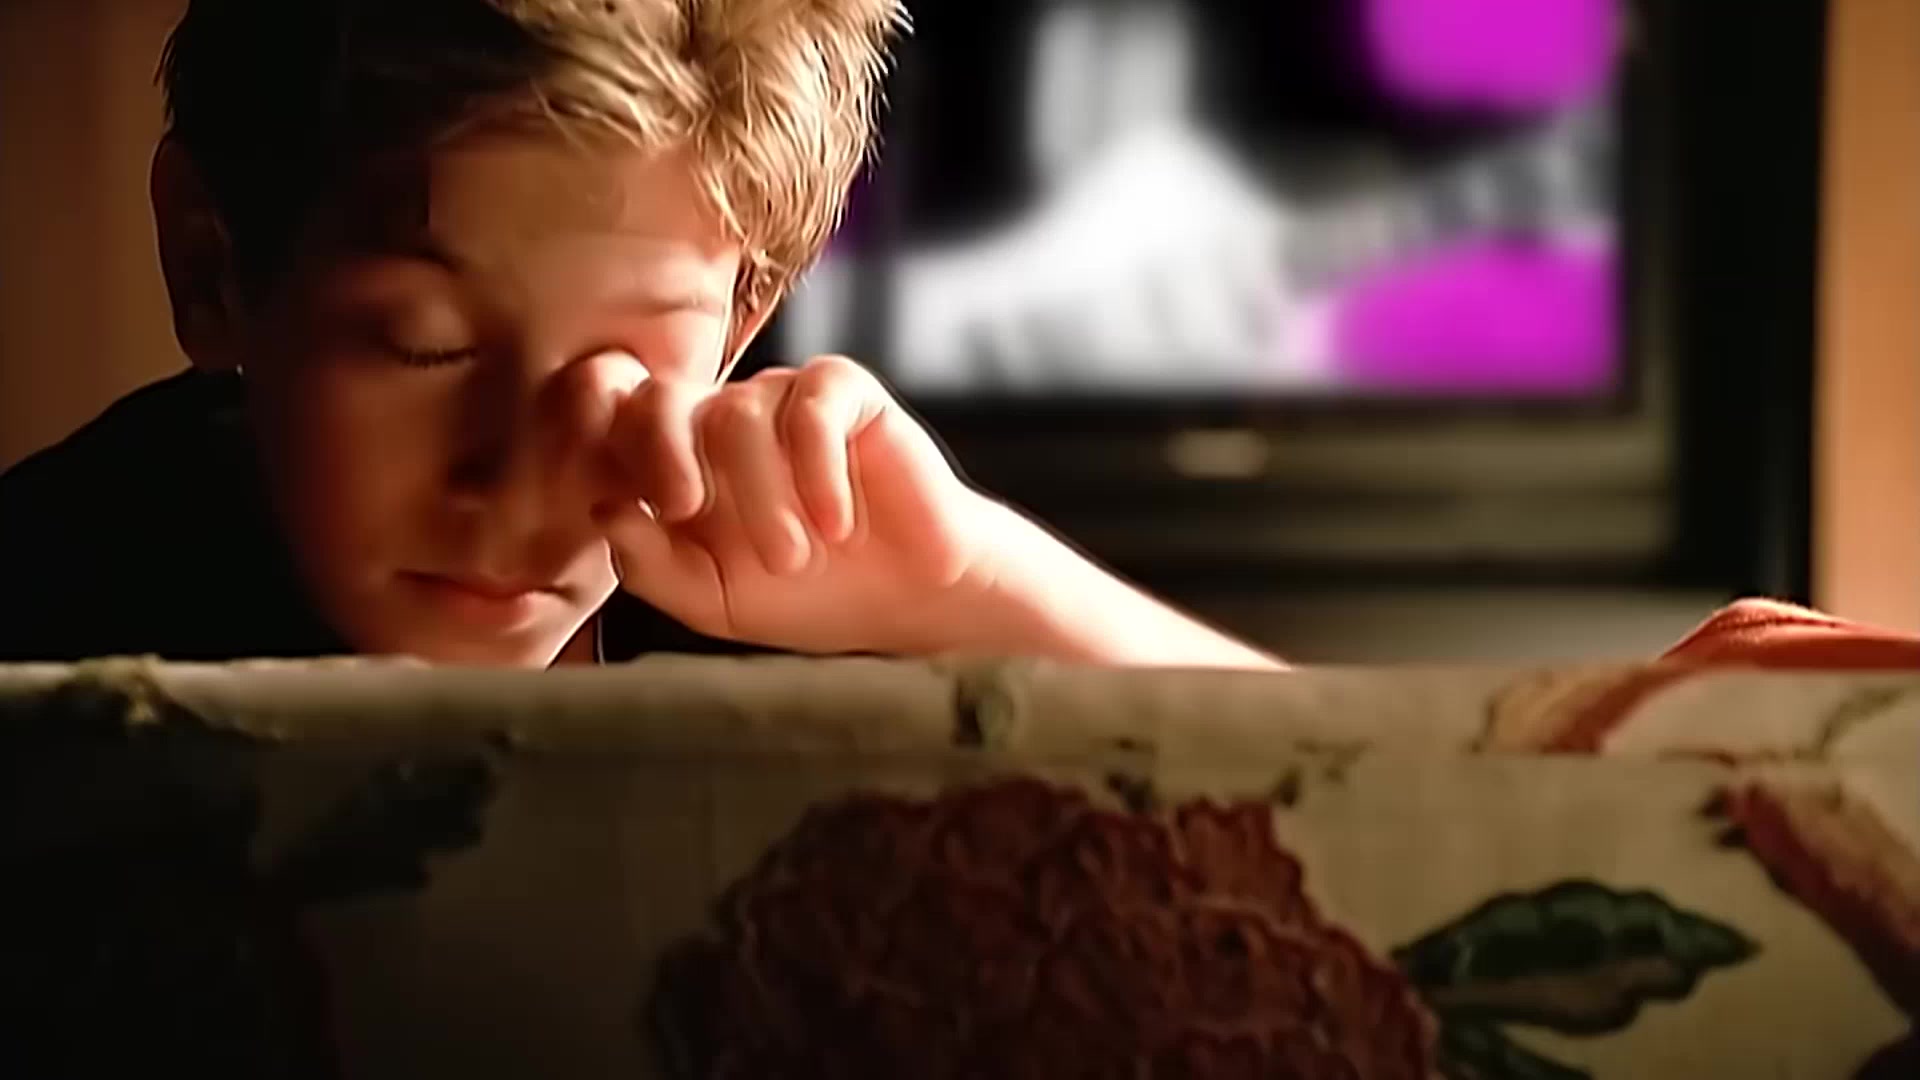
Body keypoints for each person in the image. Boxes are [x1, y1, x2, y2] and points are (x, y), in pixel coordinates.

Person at [0, 0, 1283, 671]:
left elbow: (1378, 852)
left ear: (742, 319)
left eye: (627, 368)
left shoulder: (764, 585)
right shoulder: (53, 603)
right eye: (426, 345)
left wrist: (971, 586)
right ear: (212, 265)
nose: (519, 487)